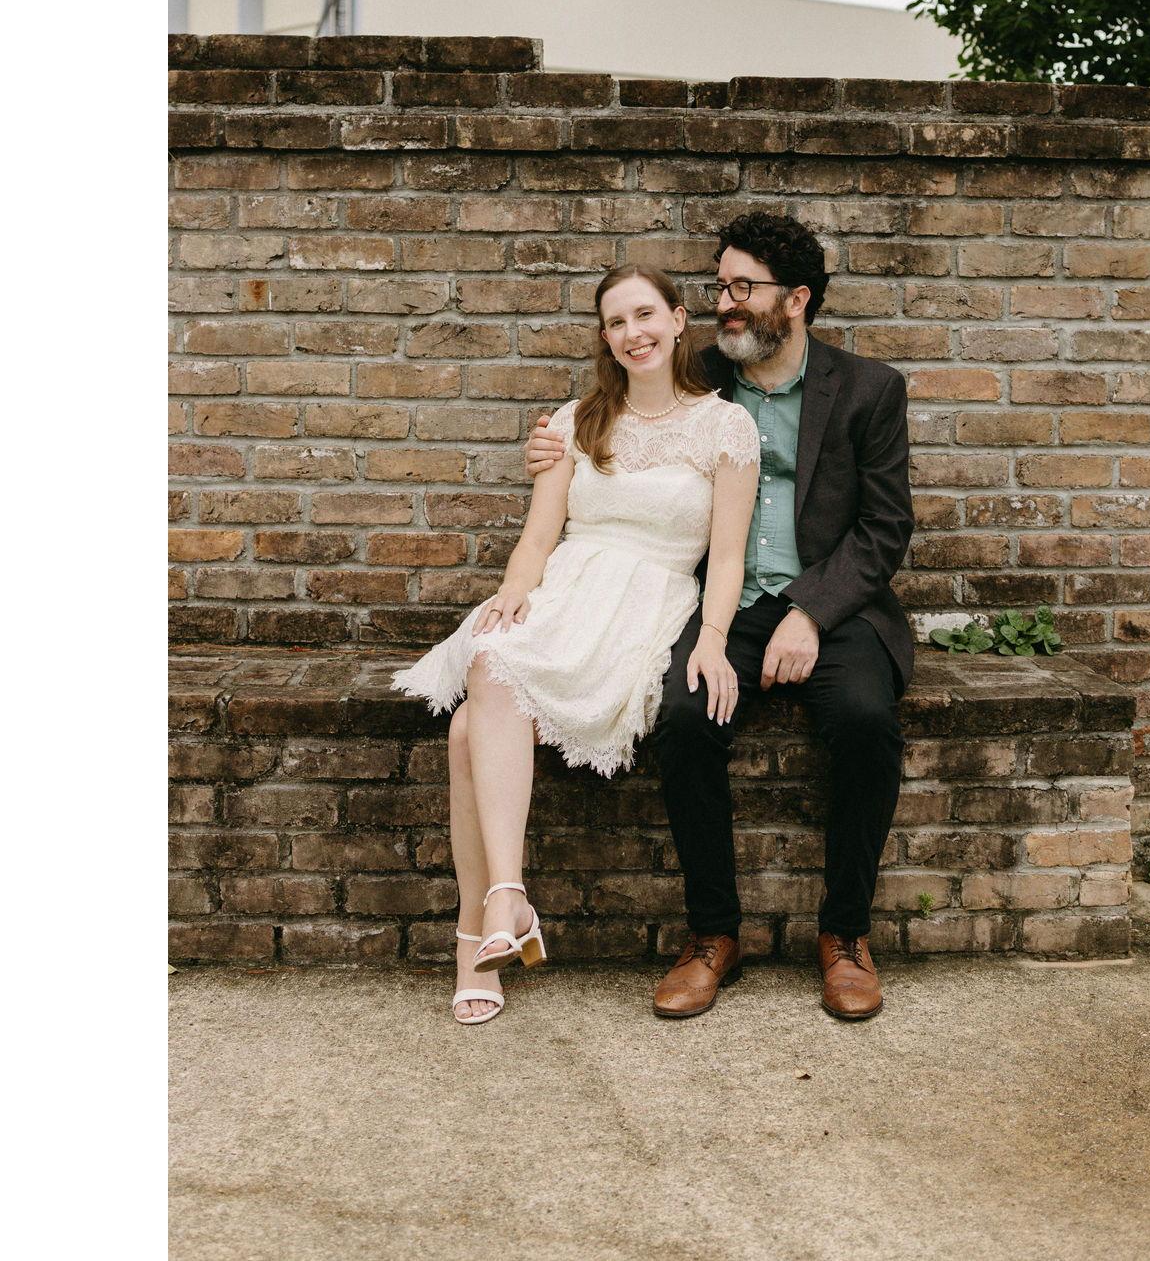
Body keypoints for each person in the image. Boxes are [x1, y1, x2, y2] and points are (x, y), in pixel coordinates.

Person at [526, 212, 915, 1021]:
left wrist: (810, 610)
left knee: (866, 719)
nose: (726, 304)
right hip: (718, 606)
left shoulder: (869, 388)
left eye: (744, 288)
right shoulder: (695, 373)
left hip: (829, 606)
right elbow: (607, 416)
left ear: (797, 299)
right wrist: (545, 445)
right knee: (683, 718)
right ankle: (712, 935)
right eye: (720, 286)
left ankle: (844, 934)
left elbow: (884, 527)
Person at [391, 264, 760, 1024]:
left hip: (647, 598)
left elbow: (726, 557)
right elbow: (537, 538)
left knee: (470, 724)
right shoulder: (571, 421)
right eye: (617, 321)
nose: (634, 333)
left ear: (678, 319)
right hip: (565, 587)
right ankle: (505, 903)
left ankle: (480, 935)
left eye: (646, 315)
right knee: (493, 657)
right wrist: (514, 591)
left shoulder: (726, 426)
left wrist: (715, 638)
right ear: (605, 336)